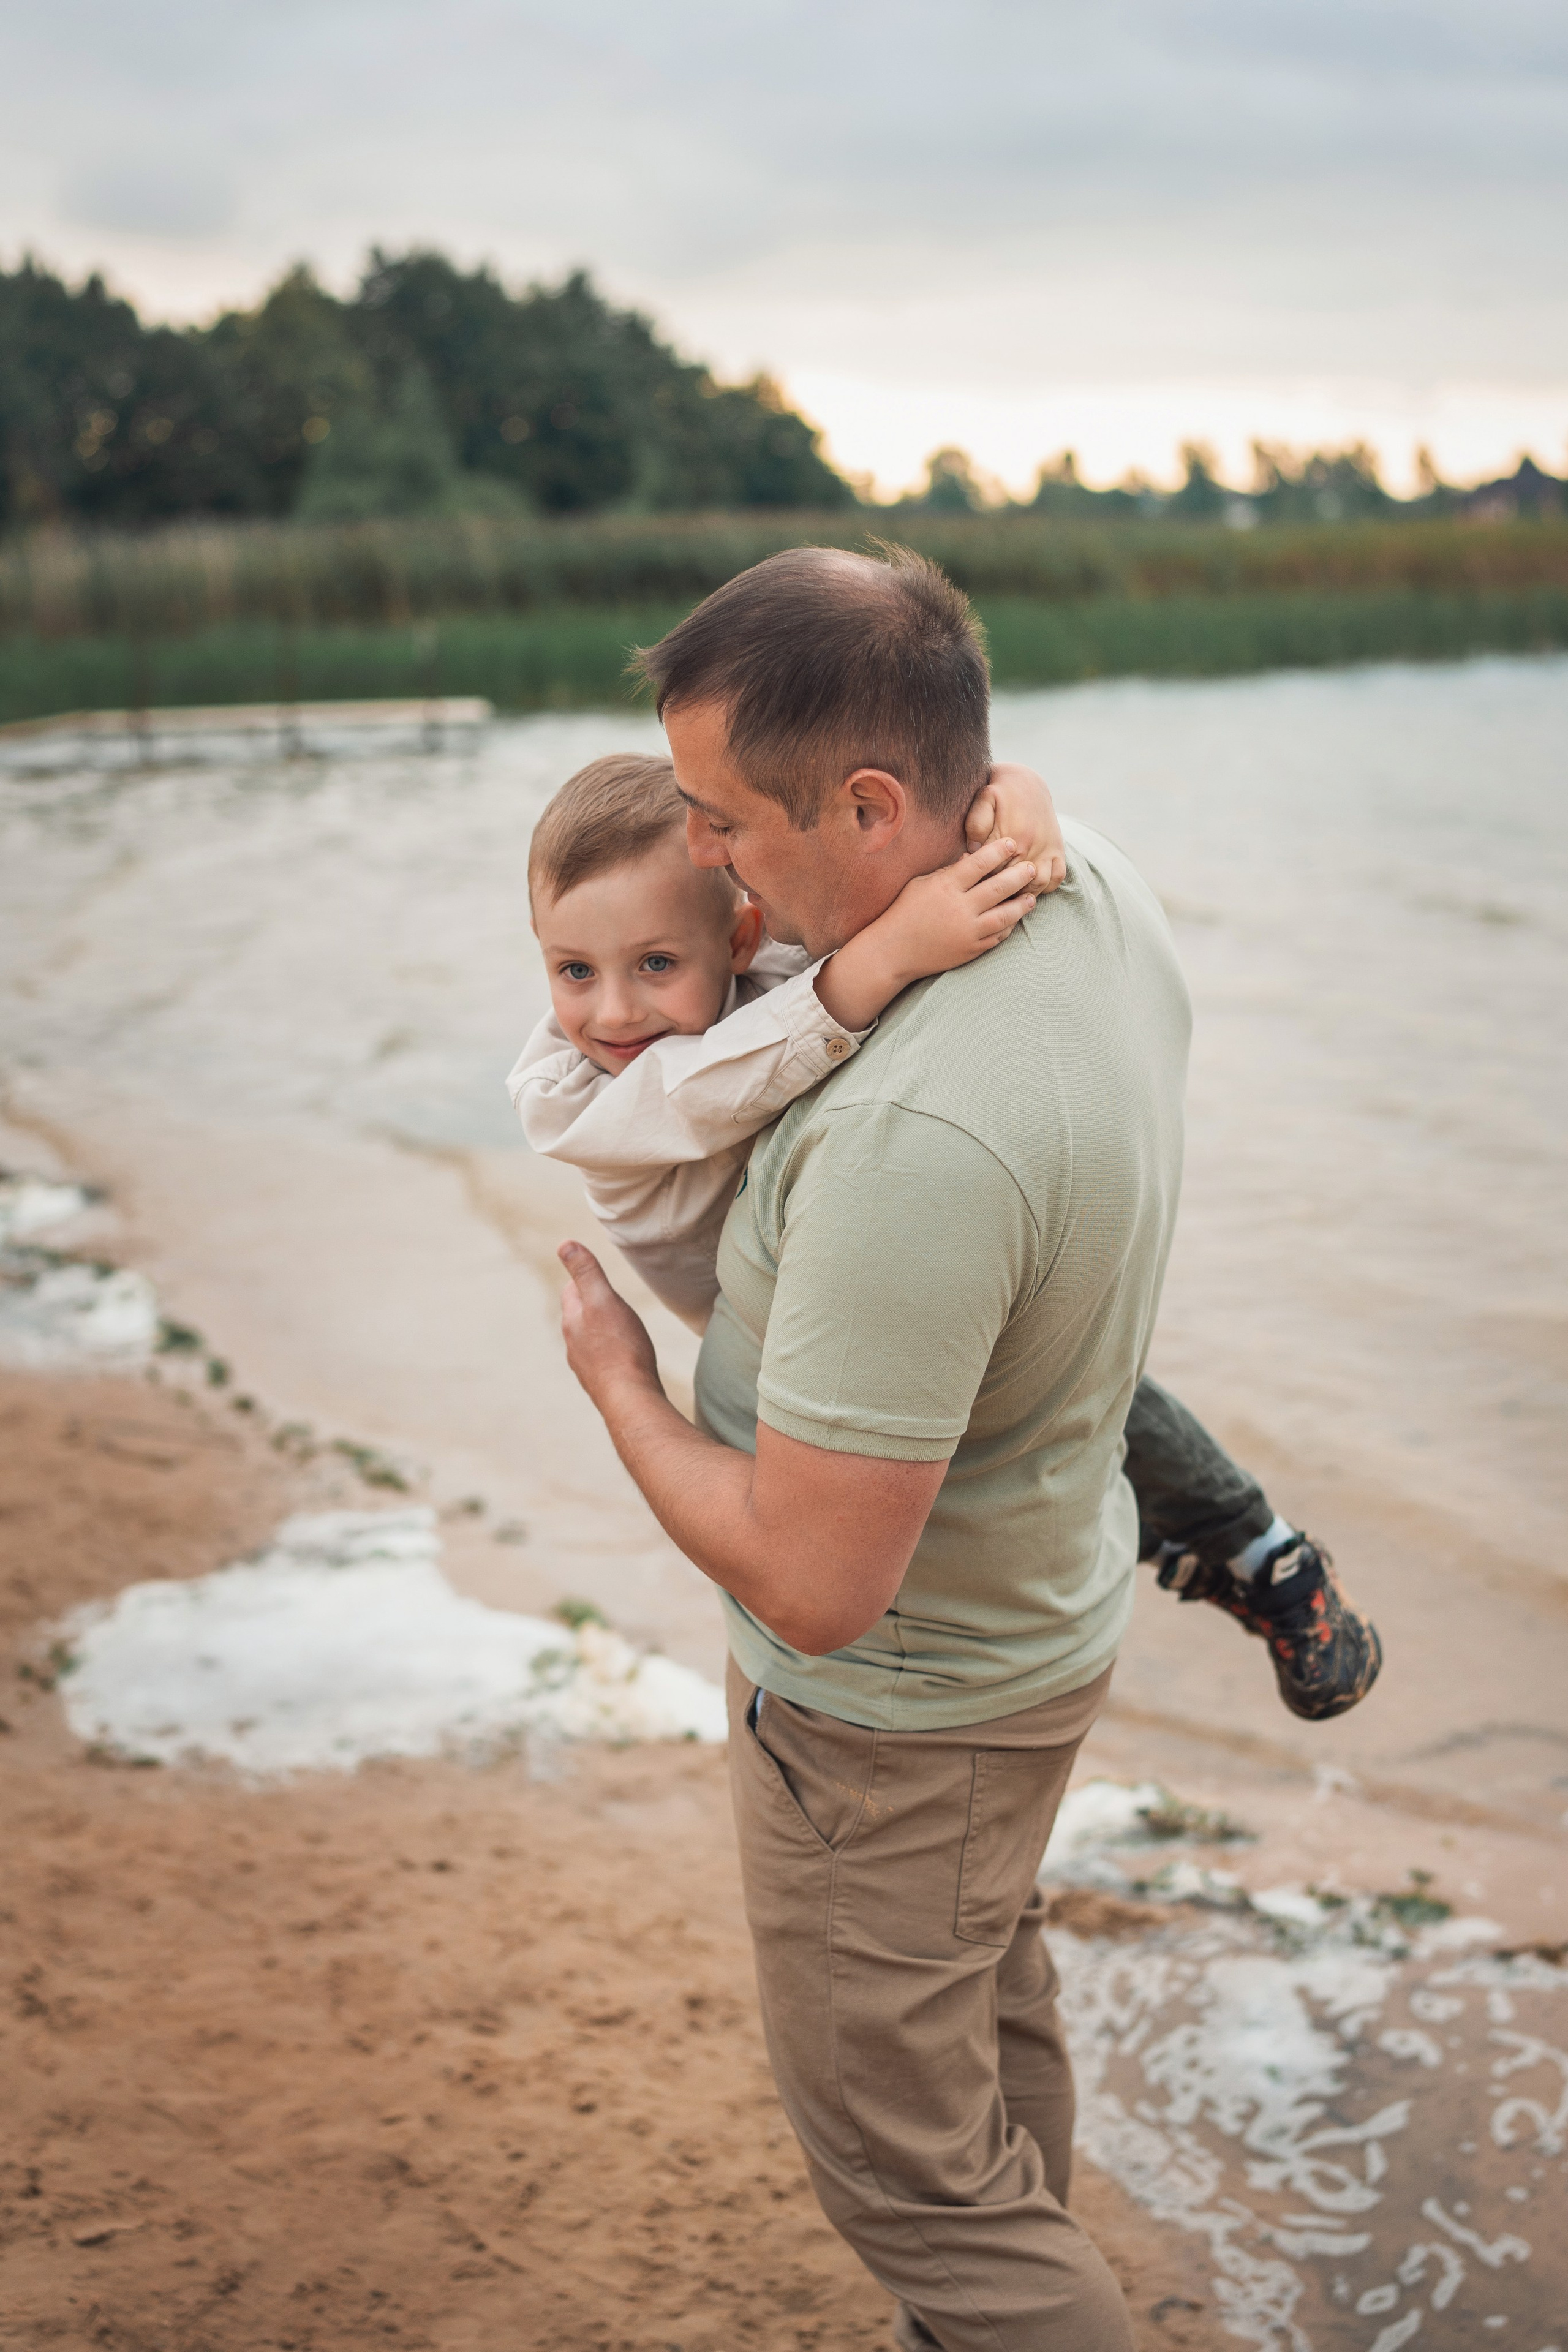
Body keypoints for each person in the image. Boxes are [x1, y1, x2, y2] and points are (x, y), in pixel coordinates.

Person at [540, 545, 1370, 2350]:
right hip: (1034, 1624)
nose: (716, 877)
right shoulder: (1098, 895)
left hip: (897, 1723)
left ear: (867, 804)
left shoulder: (914, 1132)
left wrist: (618, 1380)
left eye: (729, 830)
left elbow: (821, 1586)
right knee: (988, 2048)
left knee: (925, 2191)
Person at [511, 750, 1381, 1722]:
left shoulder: (761, 971)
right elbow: (721, 1085)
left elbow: (884, 874)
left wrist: (1017, 802)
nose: (615, 1009)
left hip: (867, 1282)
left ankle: (1265, 1555)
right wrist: (887, 959)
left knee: (1103, 1391)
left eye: (656, 964)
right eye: (572, 970)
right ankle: (1164, 1540)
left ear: (744, 933)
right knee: (951, 1458)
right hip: (794, 1321)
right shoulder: (572, 1099)